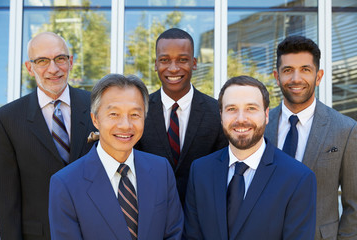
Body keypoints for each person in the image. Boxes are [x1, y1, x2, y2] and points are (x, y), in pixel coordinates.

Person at [49, 74, 183, 240]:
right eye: (114, 114)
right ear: (95, 119)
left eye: (135, 115)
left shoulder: (161, 170)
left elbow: (174, 233)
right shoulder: (66, 184)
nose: (125, 125)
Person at [184, 76, 317, 240]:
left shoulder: (298, 179)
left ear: (266, 114)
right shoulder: (200, 171)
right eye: (231, 109)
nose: (241, 119)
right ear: (221, 115)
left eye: (251, 108)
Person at [0, 32, 96, 239]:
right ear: (29, 68)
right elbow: (7, 200)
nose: (53, 69)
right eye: (42, 61)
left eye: (60, 58)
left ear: (70, 62)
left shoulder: (96, 105)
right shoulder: (6, 119)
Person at [265, 36, 357, 239]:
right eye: (288, 70)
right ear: (276, 76)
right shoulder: (260, 125)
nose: (296, 79)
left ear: (319, 76)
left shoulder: (345, 129)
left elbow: (354, 206)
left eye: (305, 69)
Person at [135, 28, 228, 204]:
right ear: (156, 64)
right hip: (151, 216)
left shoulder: (217, 112)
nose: (173, 68)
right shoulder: (139, 111)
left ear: (194, 63)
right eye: (164, 60)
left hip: (202, 217)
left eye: (182, 60)